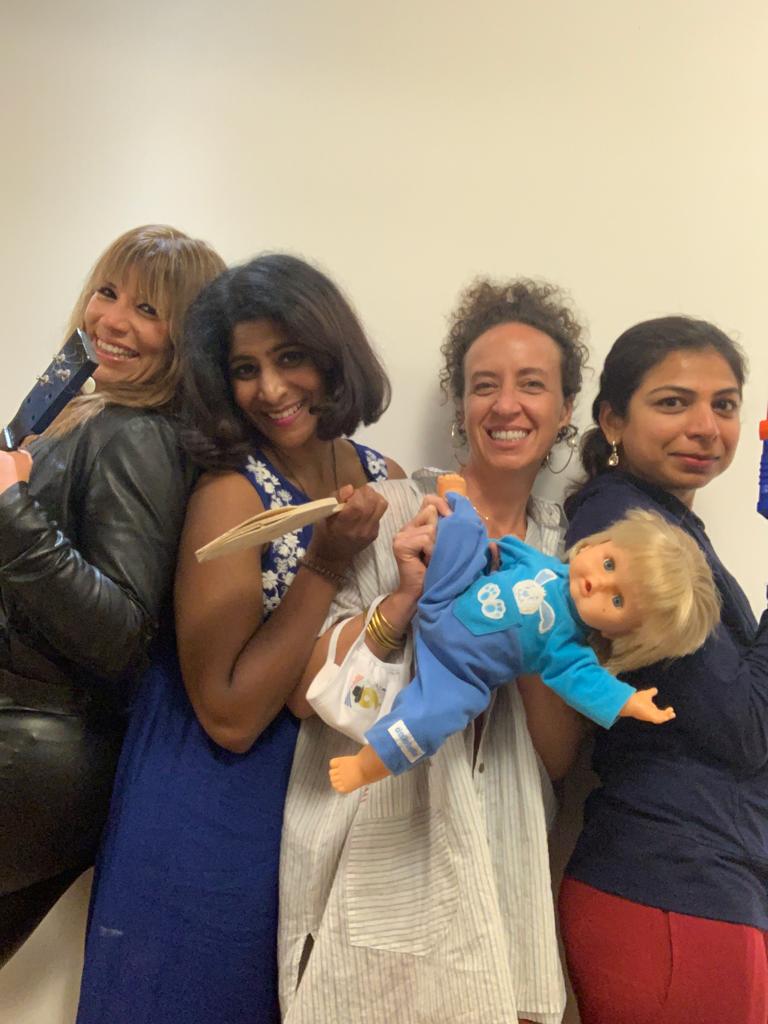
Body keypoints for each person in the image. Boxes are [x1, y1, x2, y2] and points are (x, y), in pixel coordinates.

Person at [76, 254, 403, 1024]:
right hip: (207, 804)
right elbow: (226, 713)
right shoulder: (231, 494)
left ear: (334, 356)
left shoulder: (382, 473)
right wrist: (326, 561)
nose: (271, 389)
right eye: (245, 369)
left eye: (290, 358)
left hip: (317, 807)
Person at [280, 277, 590, 1024]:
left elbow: (557, 758)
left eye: (532, 385)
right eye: (485, 385)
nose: (506, 405)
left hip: (504, 872)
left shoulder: (569, 556)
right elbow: (304, 697)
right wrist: (405, 599)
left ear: (565, 410)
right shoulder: (389, 515)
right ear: (461, 406)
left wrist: (525, 627)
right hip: (368, 871)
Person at [0, 224, 224, 967]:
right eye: (108, 292)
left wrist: (9, 509)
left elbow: (121, 632)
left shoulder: (139, 436)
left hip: (32, 753)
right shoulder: (83, 415)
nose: (113, 320)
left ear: (186, 340)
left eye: (149, 310)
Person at [557, 316, 768, 1024]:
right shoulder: (630, 533)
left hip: (691, 883)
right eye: (674, 402)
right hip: (674, 885)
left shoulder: (661, 524)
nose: (705, 427)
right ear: (613, 419)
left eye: (724, 404)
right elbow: (744, 727)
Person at [328, 500, 720, 793]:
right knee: (465, 525)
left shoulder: (567, 649)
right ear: (597, 544)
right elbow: (499, 550)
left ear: (621, 633)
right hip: (442, 598)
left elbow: (588, 683)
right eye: (609, 564)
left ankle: (366, 765)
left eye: (617, 600)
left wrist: (626, 702)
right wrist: (469, 545)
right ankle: (453, 494)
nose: (597, 584)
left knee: (431, 720)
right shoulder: (541, 563)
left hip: (457, 673)